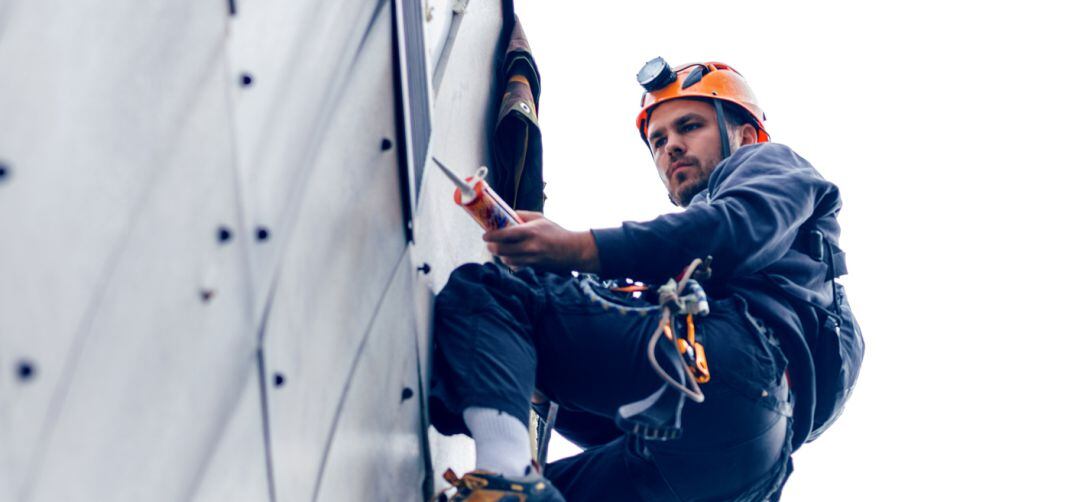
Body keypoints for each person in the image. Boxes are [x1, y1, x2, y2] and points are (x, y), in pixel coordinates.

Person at [429, 58, 863, 501]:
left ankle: (506, 477)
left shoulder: (770, 163)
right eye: (658, 140)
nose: (671, 146)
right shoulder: (773, 286)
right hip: (746, 468)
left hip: (732, 374)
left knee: (493, 294)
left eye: (689, 126)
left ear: (745, 135)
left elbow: (733, 228)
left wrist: (574, 248)